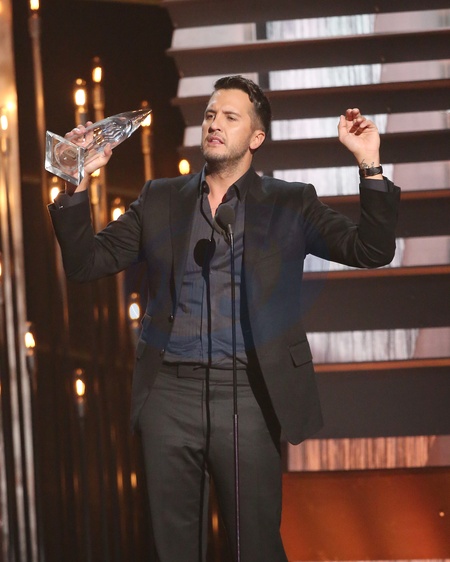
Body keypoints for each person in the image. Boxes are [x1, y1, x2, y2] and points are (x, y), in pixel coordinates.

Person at [49, 75, 400, 561]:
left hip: (249, 393)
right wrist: (75, 182)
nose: (214, 124)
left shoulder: (290, 202)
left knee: (255, 547)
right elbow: (86, 263)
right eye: (211, 115)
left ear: (256, 138)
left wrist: (369, 164)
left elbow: (371, 250)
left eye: (230, 117)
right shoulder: (161, 198)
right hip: (169, 395)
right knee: (174, 550)